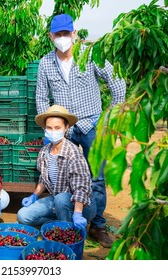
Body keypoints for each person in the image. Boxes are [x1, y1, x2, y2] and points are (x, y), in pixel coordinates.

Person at [35, 14, 126, 248]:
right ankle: (68, 218)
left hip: (91, 124)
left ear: (74, 34)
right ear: (51, 37)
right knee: (64, 174)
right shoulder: (46, 63)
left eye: (67, 33)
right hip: (63, 128)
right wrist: (50, 125)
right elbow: (41, 96)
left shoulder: (90, 55)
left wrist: (109, 118)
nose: (63, 38)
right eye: (58, 34)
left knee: (96, 177)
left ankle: (97, 224)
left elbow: (117, 83)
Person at [17, 105, 96, 229]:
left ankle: (66, 230)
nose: (53, 131)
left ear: (66, 128)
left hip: (82, 204)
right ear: (45, 129)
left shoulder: (73, 152)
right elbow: (44, 179)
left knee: (61, 199)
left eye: (57, 127)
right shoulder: (44, 151)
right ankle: (57, 222)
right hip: (57, 201)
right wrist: (34, 195)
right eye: (49, 128)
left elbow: (81, 187)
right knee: (23, 216)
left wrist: (77, 213)